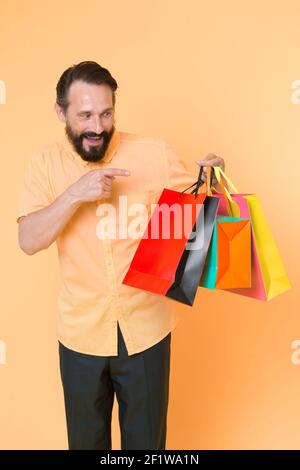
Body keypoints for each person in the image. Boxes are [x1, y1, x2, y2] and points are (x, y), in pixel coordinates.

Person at [17, 61, 225, 450]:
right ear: (60, 112)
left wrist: (218, 178)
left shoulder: (155, 154)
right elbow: (28, 240)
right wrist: (75, 194)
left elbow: (204, 217)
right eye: (85, 115)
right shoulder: (44, 164)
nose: (97, 126)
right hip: (79, 337)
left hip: (146, 332)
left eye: (106, 112)